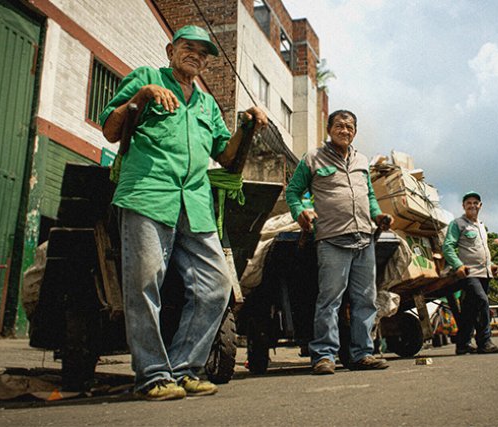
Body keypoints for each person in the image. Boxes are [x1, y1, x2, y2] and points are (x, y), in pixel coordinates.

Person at [99, 25, 267, 400]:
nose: (196, 55)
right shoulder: (147, 78)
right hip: (147, 193)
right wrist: (140, 98)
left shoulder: (207, 104)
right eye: (188, 48)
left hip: (195, 202)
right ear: (170, 49)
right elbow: (110, 130)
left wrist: (247, 124)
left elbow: (226, 156)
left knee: (216, 287)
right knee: (145, 283)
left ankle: (184, 368)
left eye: (203, 53)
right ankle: (152, 375)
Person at [285, 110, 393, 375]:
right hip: (332, 239)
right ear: (329, 129)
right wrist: (301, 212)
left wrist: (378, 215)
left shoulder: (362, 160)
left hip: (364, 238)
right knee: (329, 300)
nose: (345, 130)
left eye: (350, 126)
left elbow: (368, 195)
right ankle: (324, 356)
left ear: (355, 131)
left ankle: (361, 354)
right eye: (340, 126)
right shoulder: (313, 158)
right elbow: (293, 191)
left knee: (365, 301)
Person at [442, 191, 498, 355]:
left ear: (480, 206)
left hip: (485, 273)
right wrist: (458, 265)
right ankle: (484, 342)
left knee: (469, 310)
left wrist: (492, 265)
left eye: (475, 202)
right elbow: (447, 246)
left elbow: (482, 250)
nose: (472, 205)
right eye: (468, 203)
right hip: (469, 273)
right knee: (482, 302)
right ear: (463, 206)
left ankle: (462, 344)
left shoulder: (482, 226)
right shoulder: (458, 224)